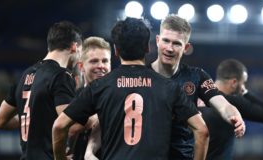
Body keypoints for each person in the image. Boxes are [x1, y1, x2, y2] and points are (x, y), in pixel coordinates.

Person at [52, 17, 209, 160]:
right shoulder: (169, 87)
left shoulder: (99, 87)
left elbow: (59, 126)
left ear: (116, 50)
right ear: (148, 47)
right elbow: (202, 131)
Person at [148, 14, 246, 159]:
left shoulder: (196, 76)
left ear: (186, 47)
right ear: (157, 40)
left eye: (177, 43)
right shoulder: (141, 75)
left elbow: (222, 104)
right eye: (166, 41)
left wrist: (235, 115)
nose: (169, 48)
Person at [0, 21, 82, 160]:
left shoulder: (24, 75)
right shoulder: (61, 76)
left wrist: (32, 119)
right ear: (74, 47)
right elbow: (70, 125)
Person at [198, 59, 263, 160]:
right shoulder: (232, 101)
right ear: (234, 82)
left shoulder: (197, 96)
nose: (243, 86)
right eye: (243, 83)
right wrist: (245, 92)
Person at [67, 36, 111, 160]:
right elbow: (66, 130)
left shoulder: (119, 96)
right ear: (81, 67)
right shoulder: (71, 97)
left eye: (105, 61)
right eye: (94, 61)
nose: (101, 66)